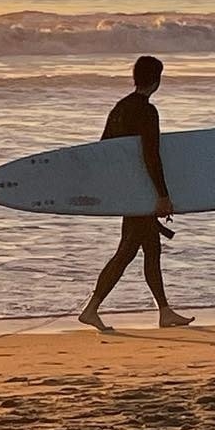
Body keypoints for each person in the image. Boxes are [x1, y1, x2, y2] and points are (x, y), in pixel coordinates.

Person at [78, 55, 194, 332]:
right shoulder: (146, 111)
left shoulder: (119, 108)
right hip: (141, 191)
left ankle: (164, 311)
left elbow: (105, 150)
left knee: (151, 249)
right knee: (128, 250)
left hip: (127, 189)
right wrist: (162, 195)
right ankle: (91, 308)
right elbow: (151, 155)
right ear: (157, 80)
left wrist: (114, 189)